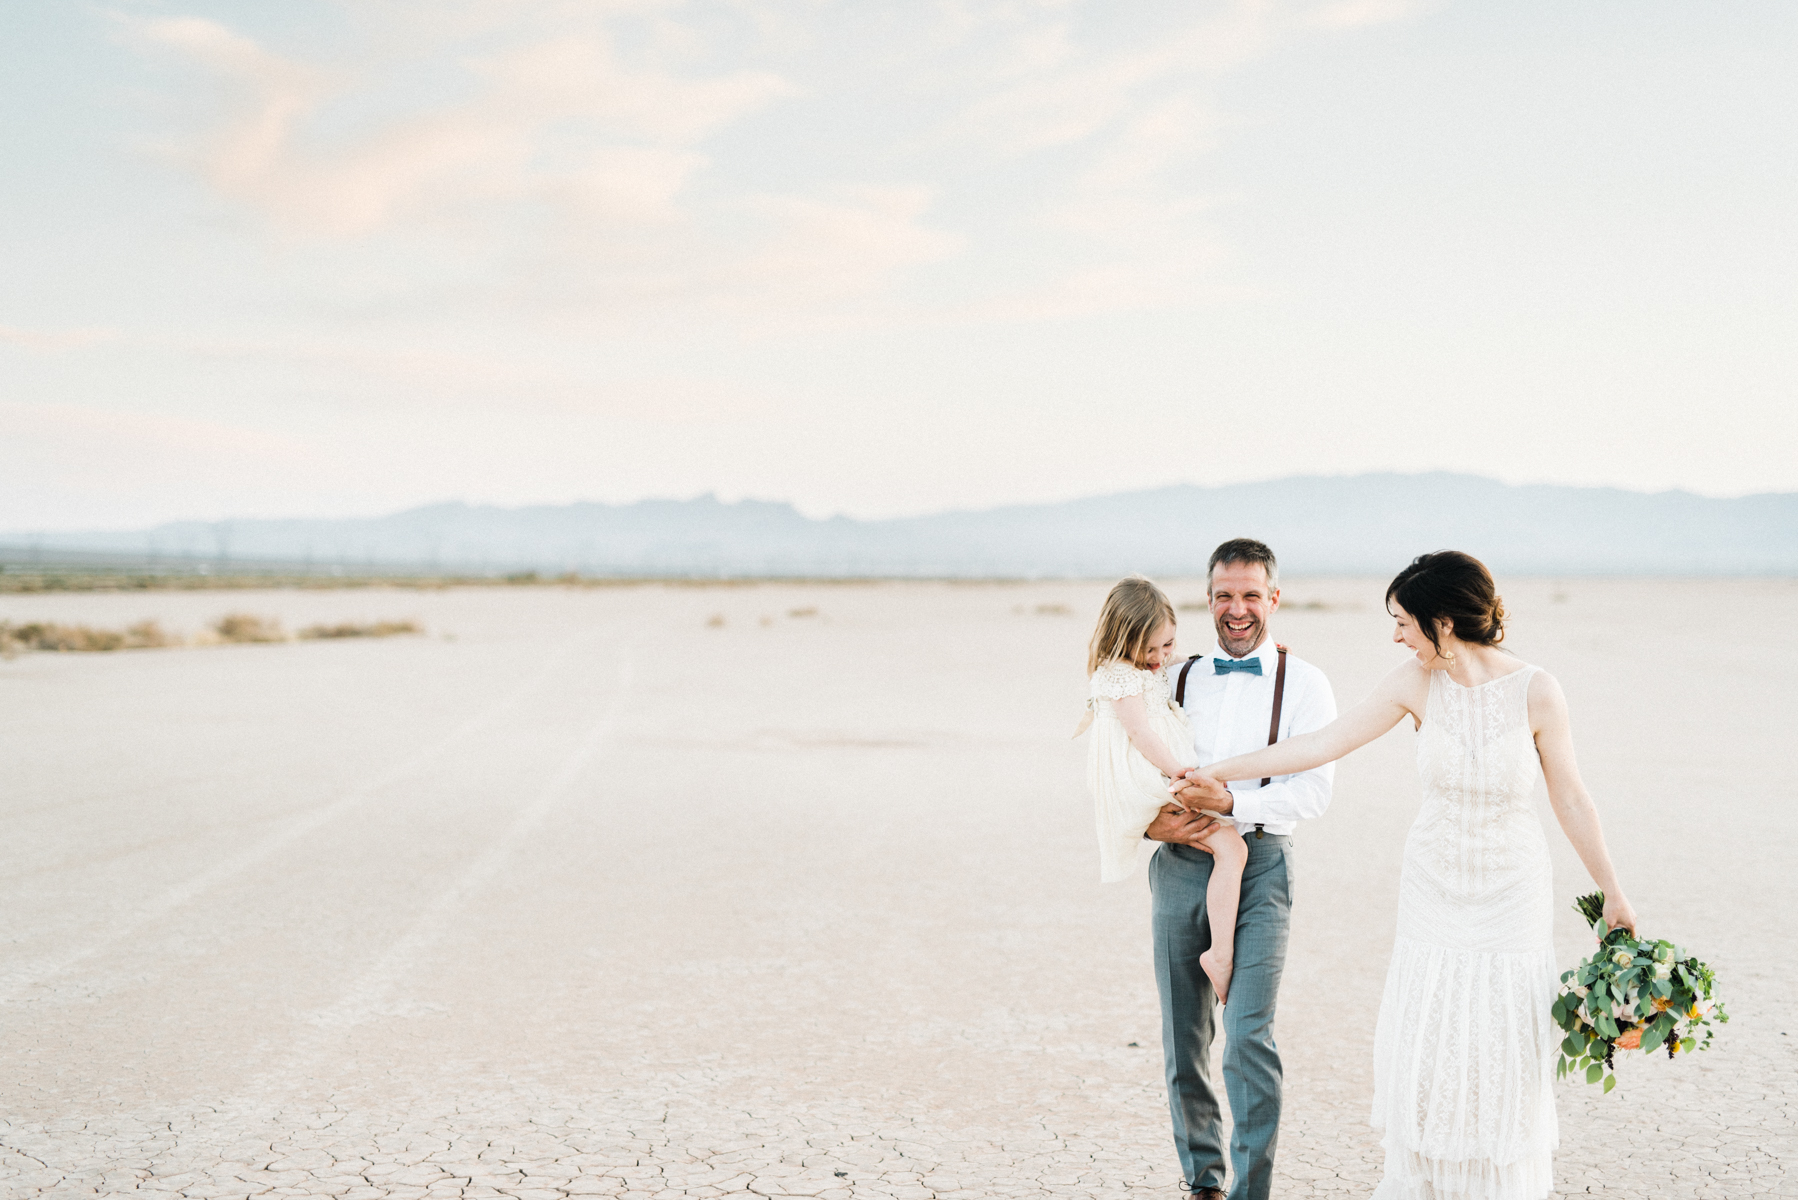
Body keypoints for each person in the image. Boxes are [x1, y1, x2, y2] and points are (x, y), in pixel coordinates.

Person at [1173, 550, 1638, 1200]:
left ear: (1441, 620)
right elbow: (1321, 744)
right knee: (1431, 1048)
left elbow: (1571, 797)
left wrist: (1612, 890)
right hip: (1433, 889)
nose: (1395, 636)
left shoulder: (1538, 690)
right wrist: (1221, 773)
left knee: (1501, 1048)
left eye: (1402, 622)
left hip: (1513, 893)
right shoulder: (1413, 682)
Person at [1143, 538, 1338, 1200]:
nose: (1237, 608)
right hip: (1178, 861)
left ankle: (1252, 1191)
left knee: (1248, 1038)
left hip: (1261, 867)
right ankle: (1204, 1181)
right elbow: (1126, 770)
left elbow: (1314, 791)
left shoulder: (1305, 684)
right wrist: (1150, 823)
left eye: (1251, 594)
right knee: (1183, 1037)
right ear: (1208, 599)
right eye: (1224, 594)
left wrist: (1233, 800)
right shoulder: (1174, 677)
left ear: (1274, 599)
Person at [1082, 577, 1247, 1002]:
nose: (1158, 660)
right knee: (1232, 847)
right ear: (1121, 640)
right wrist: (1181, 772)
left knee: (1228, 846)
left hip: (1159, 774)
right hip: (1149, 776)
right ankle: (1221, 953)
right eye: (1148, 651)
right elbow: (1139, 732)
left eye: (1166, 646)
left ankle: (1219, 948)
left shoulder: (1140, 669)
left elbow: (1164, 673)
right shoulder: (1119, 676)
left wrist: (1187, 659)